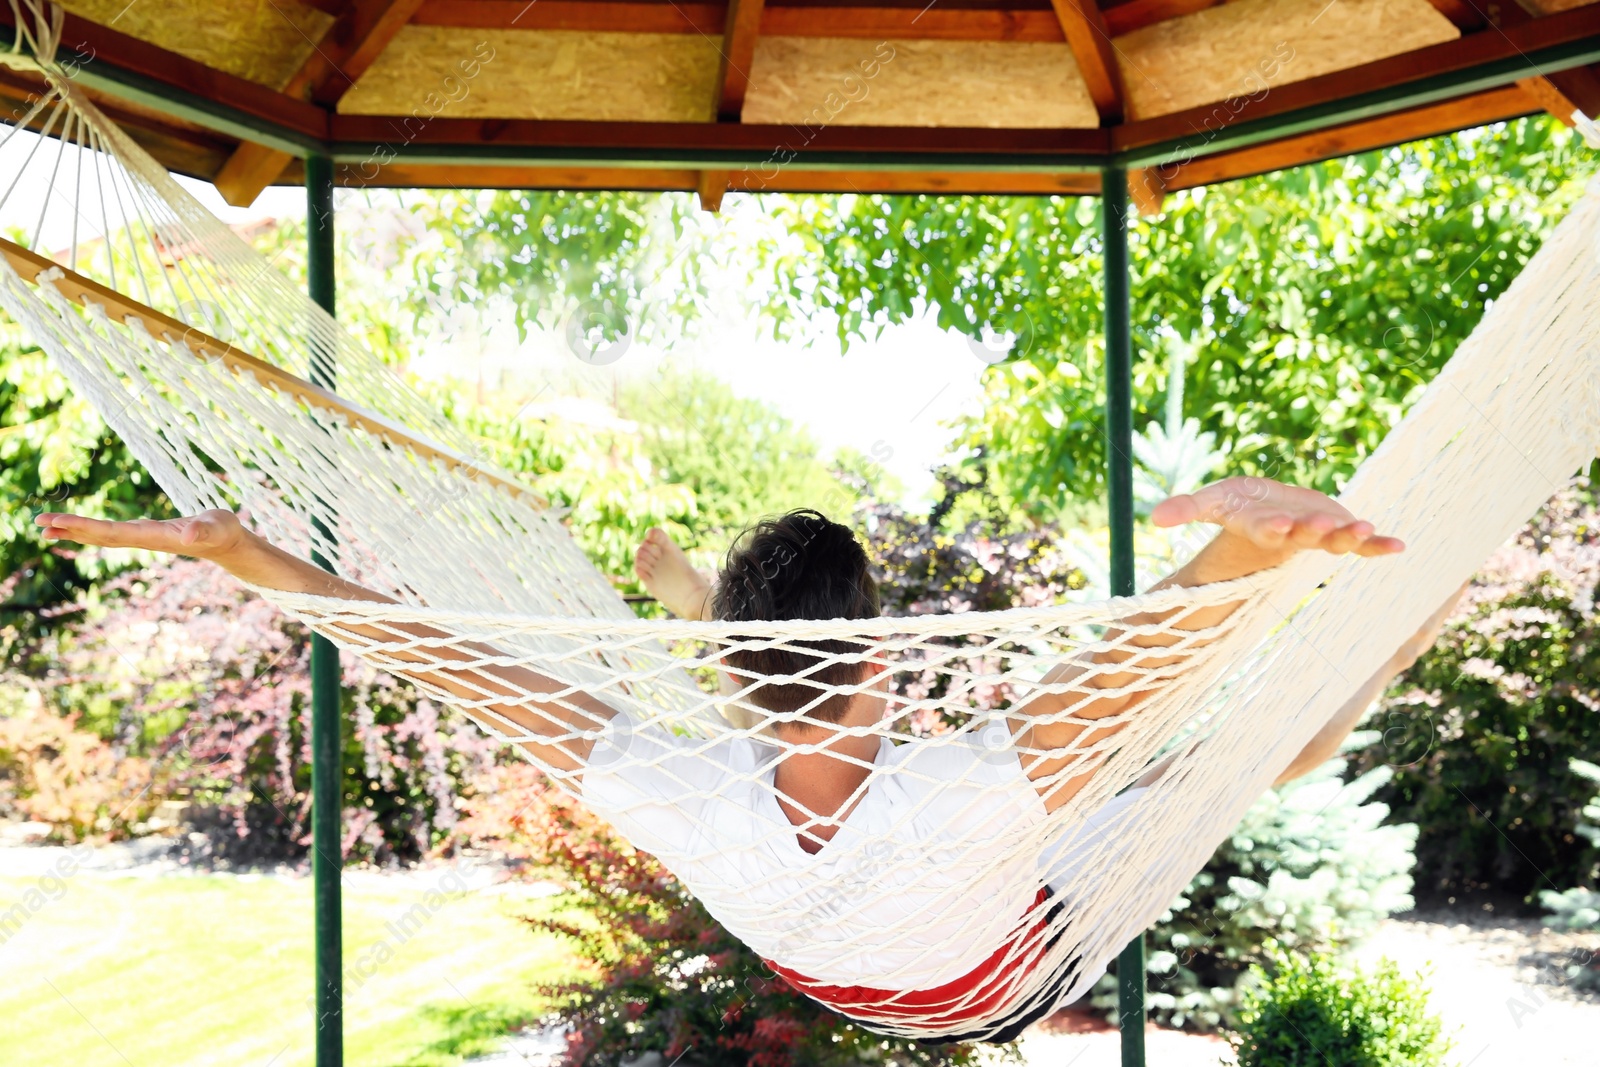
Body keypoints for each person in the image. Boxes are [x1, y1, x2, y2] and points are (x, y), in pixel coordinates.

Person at [35, 476, 1459, 1040]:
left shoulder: (680, 780)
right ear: (887, 659)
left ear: (731, 667)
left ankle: (713, 623)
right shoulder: (974, 787)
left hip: (837, 933)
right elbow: (1138, 670)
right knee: (1222, 763)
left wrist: (240, 553)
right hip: (1004, 957)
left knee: (765, 747)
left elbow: (437, 649)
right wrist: (1242, 551)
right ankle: (1377, 661)